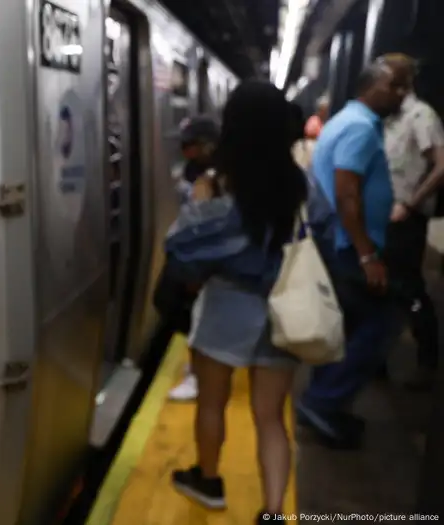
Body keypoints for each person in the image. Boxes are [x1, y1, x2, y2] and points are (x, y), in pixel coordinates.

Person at [165, 80, 337, 523]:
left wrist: (199, 212)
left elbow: (182, 250)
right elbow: (323, 228)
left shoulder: (218, 186)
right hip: (284, 308)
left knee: (211, 403)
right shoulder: (299, 184)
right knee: (270, 418)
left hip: (226, 306)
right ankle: (275, 512)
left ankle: (207, 481)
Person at [297, 61, 410, 448]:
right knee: (381, 323)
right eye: (395, 86)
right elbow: (347, 194)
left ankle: (324, 397)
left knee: (345, 326)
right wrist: (367, 255)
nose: (402, 94)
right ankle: (322, 402)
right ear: (371, 87)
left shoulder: (347, 120)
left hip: (339, 242)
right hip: (348, 247)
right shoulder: (360, 128)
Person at [379, 53, 444, 391]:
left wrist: (410, 203)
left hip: (406, 218)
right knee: (386, 287)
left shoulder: (421, 116)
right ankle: (378, 361)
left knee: (409, 288)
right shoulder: (390, 119)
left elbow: (441, 165)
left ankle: (428, 360)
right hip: (387, 216)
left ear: (403, 86)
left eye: (386, 81)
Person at [168, 115, 220, 402]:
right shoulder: (192, 170)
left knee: (199, 314)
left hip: (204, 255)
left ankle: (199, 376)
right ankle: (197, 368)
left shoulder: (216, 176)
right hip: (190, 249)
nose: (184, 150)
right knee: (189, 311)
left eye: (190, 145)